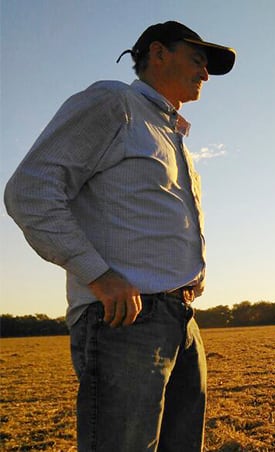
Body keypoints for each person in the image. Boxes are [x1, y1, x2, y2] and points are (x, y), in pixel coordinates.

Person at [4, 21, 235, 451]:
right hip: (125, 321)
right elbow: (30, 190)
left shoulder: (170, 133)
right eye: (198, 59)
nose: (205, 74)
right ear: (158, 53)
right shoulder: (116, 103)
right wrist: (99, 275)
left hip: (180, 317)